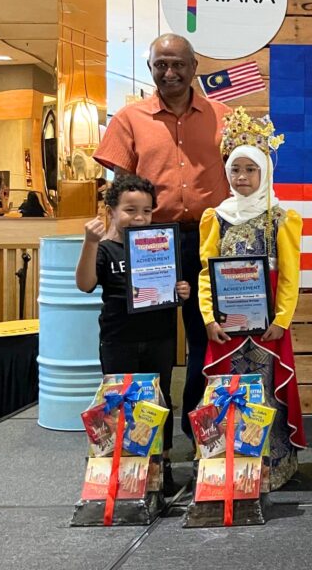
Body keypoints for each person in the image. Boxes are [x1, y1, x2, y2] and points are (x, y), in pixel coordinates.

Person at [94, 33, 231, 443]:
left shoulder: (223, 115)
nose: (169, 73)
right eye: (160, 65)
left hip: (210, 240)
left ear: (194, 67)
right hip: (150, 246)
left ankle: (198, 425)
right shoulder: (128, 118)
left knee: (207, 334)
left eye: (178, 64)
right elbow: (119, 186)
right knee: (150, 342)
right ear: (150, 67)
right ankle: (151, 438)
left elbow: (244, 175)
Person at [197, 109, 306, 489]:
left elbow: (290, 275)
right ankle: (231, 463)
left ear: (265, 173)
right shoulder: (216, 217)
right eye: (235, 170)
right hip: (227, 327)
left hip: (267, 327)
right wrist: (208, 317)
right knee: (230, 392)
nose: (242, 178)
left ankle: (270, 466)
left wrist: (282, 319)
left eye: (250, 170)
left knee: (265, 391)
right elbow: (205, 271)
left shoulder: (281, 217)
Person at [74, 174, 190, 495]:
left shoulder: (161, 246)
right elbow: (84, 284)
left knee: (160, 399)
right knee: (119, 402)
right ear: (110, 210)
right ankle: (123, 466)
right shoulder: (104, 249)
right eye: (130, 210)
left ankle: (160, 466)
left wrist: (182, 290)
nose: (139, 218)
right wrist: (89, 242)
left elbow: (174, 288)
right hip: (118, 339)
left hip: (160, 338)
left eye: (147, 211)